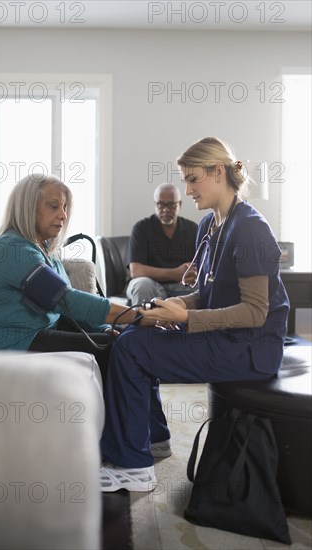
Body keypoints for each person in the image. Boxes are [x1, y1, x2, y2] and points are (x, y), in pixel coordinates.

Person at [100, 137, 290, 492]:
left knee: (132, 350)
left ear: (218, 172)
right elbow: (210, 292)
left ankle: (132, 467)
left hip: (250, 348)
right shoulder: (209, 226)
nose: (187, 191)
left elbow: (254, 312)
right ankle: (152, 441)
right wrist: (175, 307)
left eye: (192, 179)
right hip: (224, 336)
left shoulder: (250, 228)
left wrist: (188, 321)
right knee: (129, 338)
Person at [0, 174, 142, 381]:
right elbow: (65, 300)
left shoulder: (46, 252)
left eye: (65, 208)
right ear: (28, 207)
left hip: (32, 335)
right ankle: (122, 414)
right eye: (54, 206)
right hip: (5, 346)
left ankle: (128, 412)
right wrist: (138, 315)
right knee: (118, 348)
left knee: (121, 339)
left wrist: (103, 327)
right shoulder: (11, 250)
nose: (63, 215)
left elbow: (66, 312)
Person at [126, 183, 198, 305]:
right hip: (150, 284)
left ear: (179, 205)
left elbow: (200, 267)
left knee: (205, 288)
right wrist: (175, 273)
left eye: (171, 205)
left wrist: (191, 275)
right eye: (161, 204)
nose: (165, 210)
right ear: (155, 205)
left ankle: (195, 324)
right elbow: (136, 271)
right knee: (142, 285)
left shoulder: (193, 229)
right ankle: (141, 324)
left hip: (182, 287)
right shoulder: (141, 228)